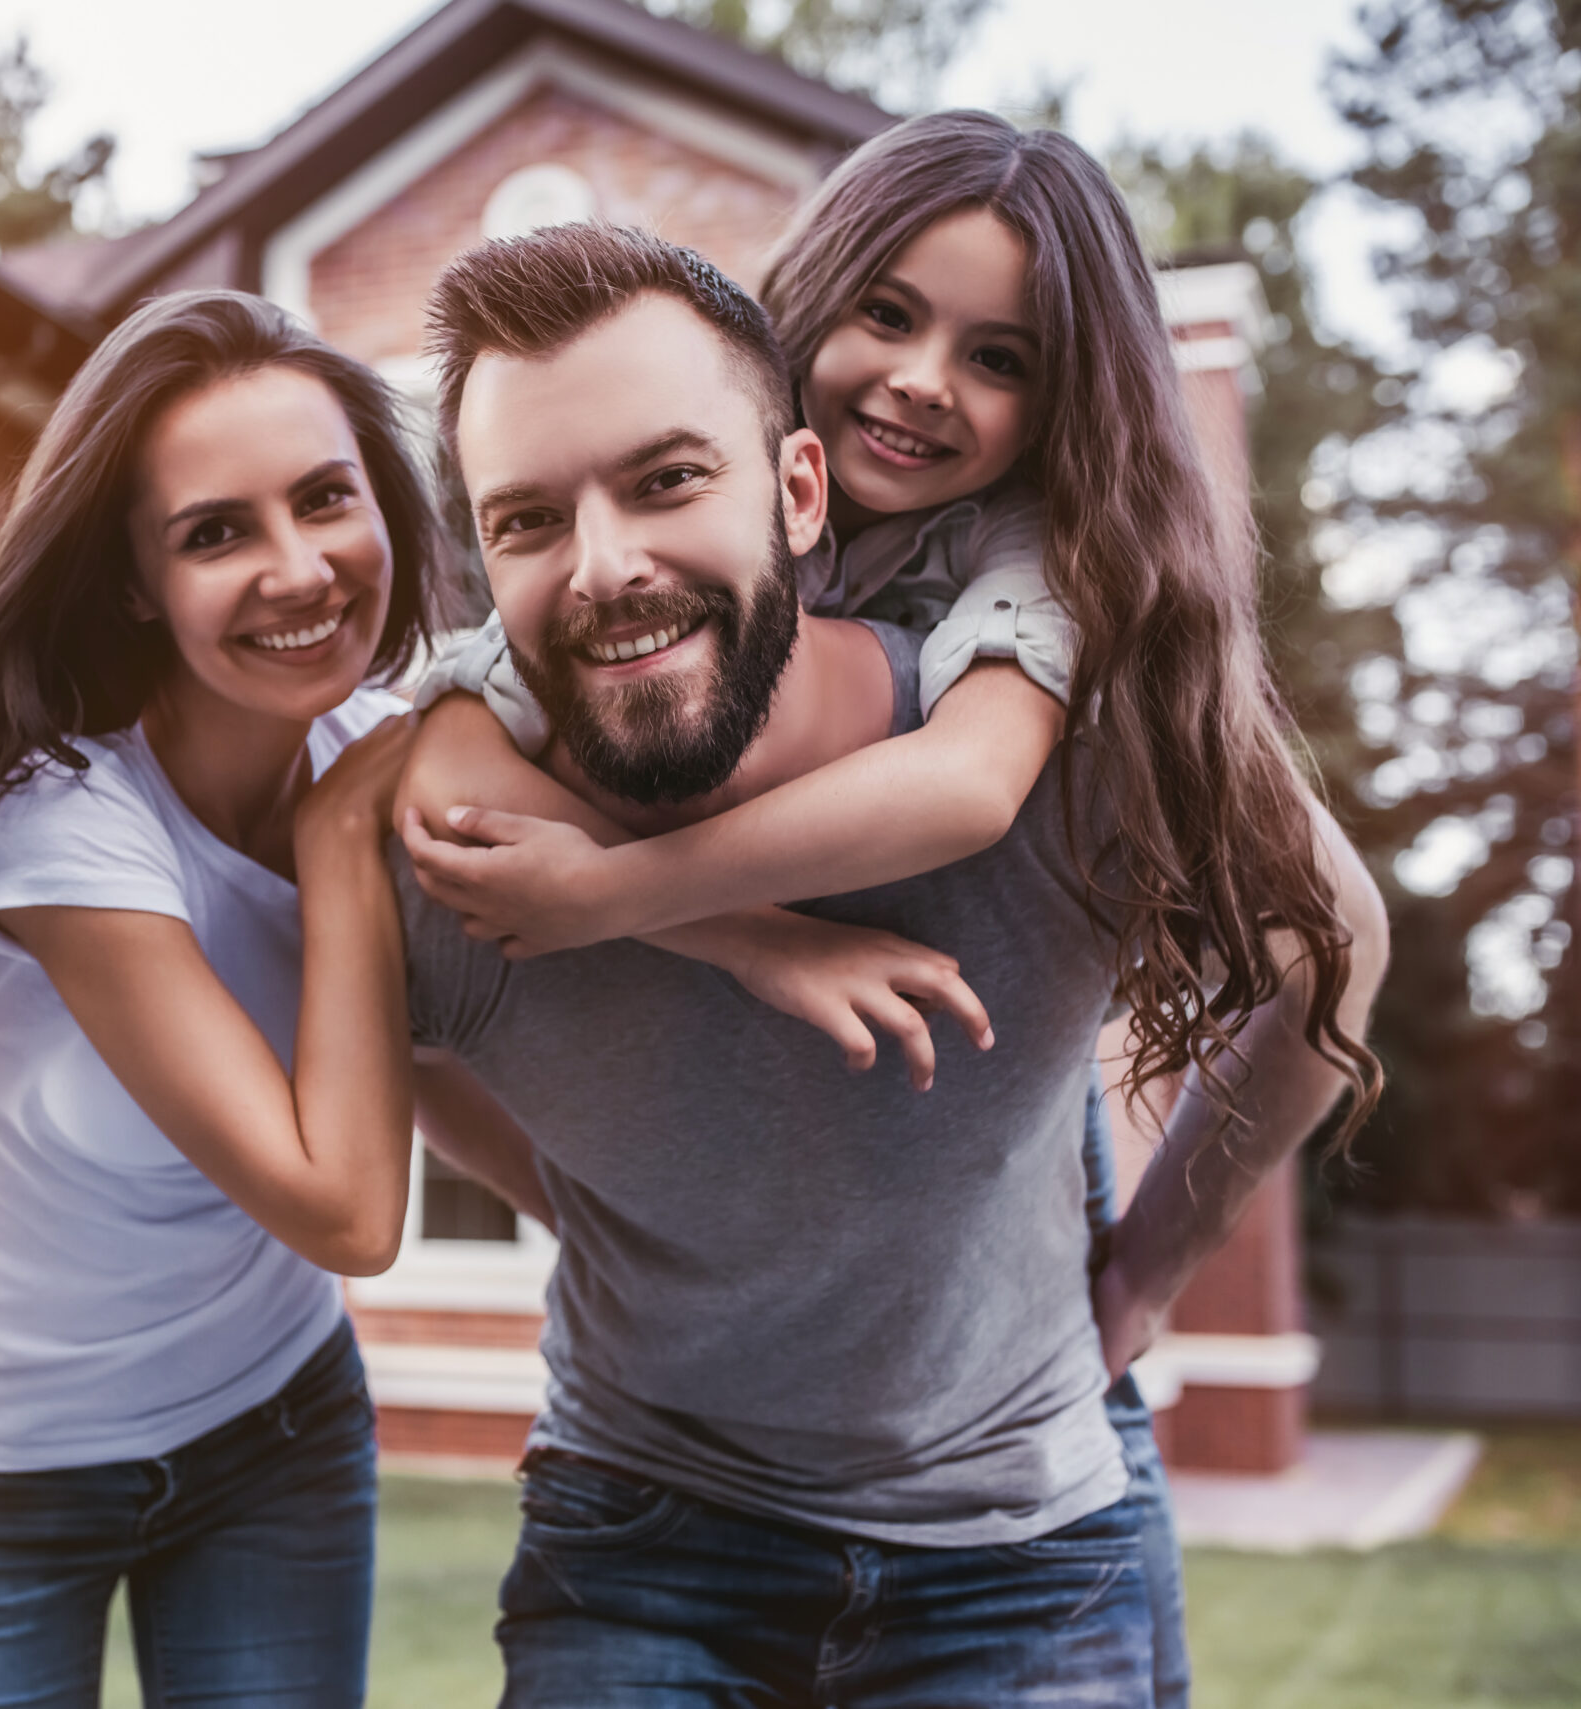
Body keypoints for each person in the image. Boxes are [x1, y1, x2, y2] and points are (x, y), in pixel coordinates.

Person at [403, 115, 1369, 1703]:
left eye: (1002, 355)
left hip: (1009, 1456)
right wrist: (637, 1153)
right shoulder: (633, 557)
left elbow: (990, 794)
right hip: (653, 1490)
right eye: (891, 316)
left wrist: (1143, 1277)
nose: (925, 380)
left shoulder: (1046, 577)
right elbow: (431, 776)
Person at [0, 291, 443, 1707]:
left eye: (326, 498)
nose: (301, 569)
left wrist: (775, 952)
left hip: (275, 1425)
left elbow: (467, 1037)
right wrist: (343, 844)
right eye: (217, 531)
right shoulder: (58, 821)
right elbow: (346, 1207)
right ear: (136, 580)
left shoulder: (385, 744)